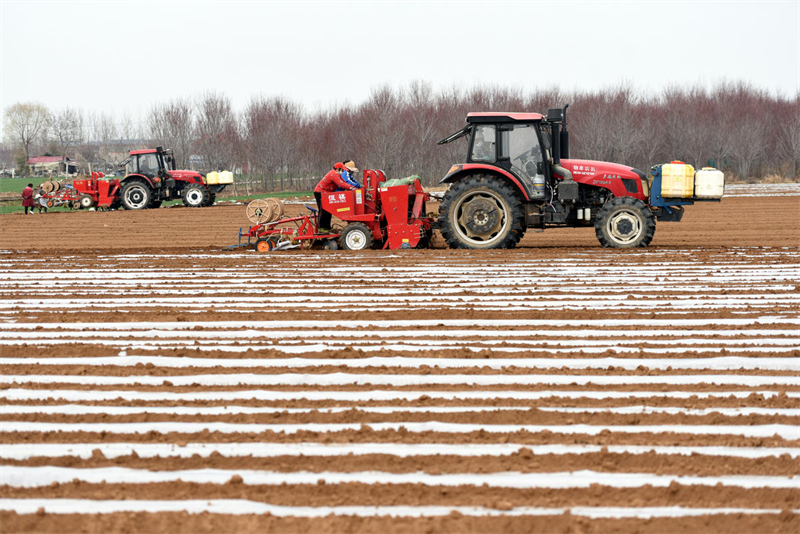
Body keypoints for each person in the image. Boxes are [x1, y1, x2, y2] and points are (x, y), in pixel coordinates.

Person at [313, 162, 356, 233]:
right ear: (338, 169)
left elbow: (343, 182)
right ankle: (321, 228)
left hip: (326, 193)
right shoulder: (334, 174)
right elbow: (340, 184)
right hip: (320, 192)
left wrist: (351, 187)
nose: (343, 171)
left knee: (328, 210)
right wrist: (351, 187)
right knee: (323, 210)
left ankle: (327, 228)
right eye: (342, 170)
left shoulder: (336, 174)